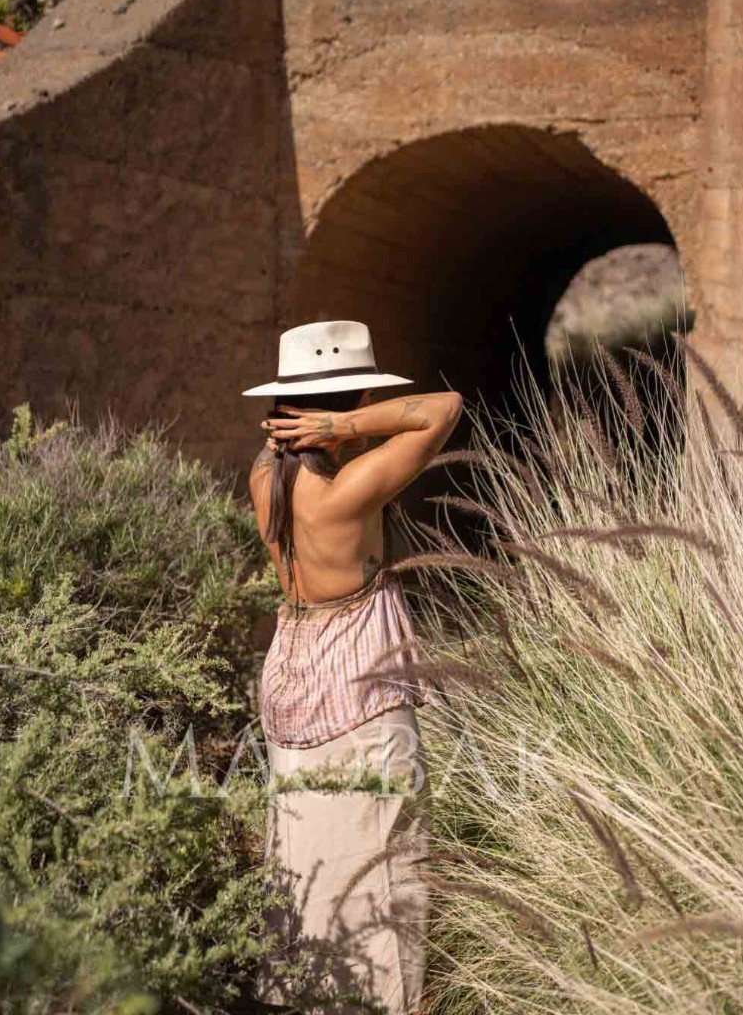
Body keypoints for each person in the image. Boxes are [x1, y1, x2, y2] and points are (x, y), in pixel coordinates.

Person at [241, 320, 462, 1014]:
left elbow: (282, 445)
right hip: (357, 677)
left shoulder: (264, 476)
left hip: (292, 664)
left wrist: (311, 425)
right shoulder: (351, 488)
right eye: (359, 397)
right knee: (382, 854)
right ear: (342, 404)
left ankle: (304, 994)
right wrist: (345, 426)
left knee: (305, 853)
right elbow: (444, 409)